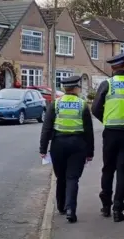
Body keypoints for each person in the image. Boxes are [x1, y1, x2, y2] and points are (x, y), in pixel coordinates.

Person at [91, 53, 124, 222]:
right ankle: (118, 209)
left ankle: (106, 206)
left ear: (112, 68)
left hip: (111, 133)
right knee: (122, 170)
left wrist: (107, 120)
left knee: (108, 168)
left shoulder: (107, 84)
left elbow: (95, 108)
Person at [39, 76, 94, 223]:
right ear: (76, 88)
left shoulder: (56, 104)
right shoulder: (82, 105)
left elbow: (47, 128)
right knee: (72, 178)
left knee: (61, 177)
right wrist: (90, 152)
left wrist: (43, 149)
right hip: (78, 145)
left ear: (64, 89)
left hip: (59, 145)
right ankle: (71, 210)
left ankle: (61, 206)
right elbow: (89, 131)